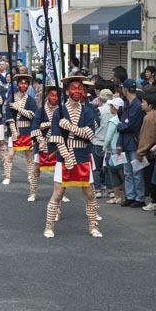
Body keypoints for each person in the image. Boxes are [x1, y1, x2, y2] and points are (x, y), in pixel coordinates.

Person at [44, 76, 101, 238]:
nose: (77, 91)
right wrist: (66, 155)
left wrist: (70, 127)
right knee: (58, 193)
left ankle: (93, 226)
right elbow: (56, 137)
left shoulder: (88, 111)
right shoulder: (59, 112)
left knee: (90, 193)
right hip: (64, 156)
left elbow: (89, 134)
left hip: (83, 155)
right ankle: (49, 226)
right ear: (68, 90)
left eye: (79, 88)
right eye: (73, 88)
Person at [5, 73, 38, 188]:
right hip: (15, 129)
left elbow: (32, 115)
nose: (23, 85)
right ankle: (7, 176)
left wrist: (18, 108)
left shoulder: (31, 100)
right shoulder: (11, 98)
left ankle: (30, 176)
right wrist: (14, 131)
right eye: (21, 83)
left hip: (27, 130)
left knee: (29, 156)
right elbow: (9, 117)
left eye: (25, 83)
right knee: (10, 155)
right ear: (18, 84)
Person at [117, 79, 146, 207]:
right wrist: (119, 143)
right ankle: (130, 196)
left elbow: (131, 126)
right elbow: (124, 125)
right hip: (126, 142)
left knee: (136, 172)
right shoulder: (126, 104)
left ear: (126, 90)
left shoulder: (137, 105)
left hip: (134, 142)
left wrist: (120, 126)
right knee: (128, 171)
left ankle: (139, 197)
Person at [138, 94, 156, 211]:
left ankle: (155, 200)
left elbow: (146, 136)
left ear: (150, 104)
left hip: (150, 151)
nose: (142, 104)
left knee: (150, 177)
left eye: (144, 102)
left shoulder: (149, 117)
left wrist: (140, 151)